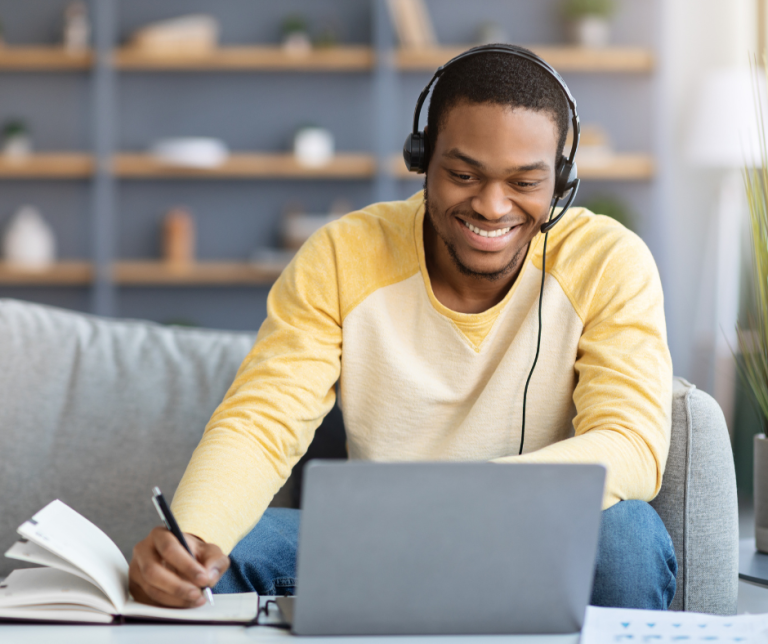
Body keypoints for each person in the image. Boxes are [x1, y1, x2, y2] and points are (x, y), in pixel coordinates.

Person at [129, 46, 676, 611]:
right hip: (381, 543)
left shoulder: (608, 261)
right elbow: (262, 422)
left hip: (540, 539)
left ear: (562, 180)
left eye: (524, 182)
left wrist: (451, 500)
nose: (491, 206)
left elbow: (632, 443)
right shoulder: (343, 255)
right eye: (463, 174)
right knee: (228, 551)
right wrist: (189, 541)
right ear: (423, 159)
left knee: (628, 534)